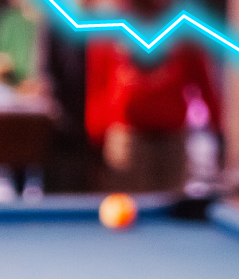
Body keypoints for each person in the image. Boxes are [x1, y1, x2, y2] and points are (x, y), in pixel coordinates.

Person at [85, 0, 222, 192]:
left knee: (172, 212)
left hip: (172, 139)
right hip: (126, 139)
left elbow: (203, 82)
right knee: (129, 207)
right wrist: (95, 142)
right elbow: (98, 84)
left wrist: (218, 130)